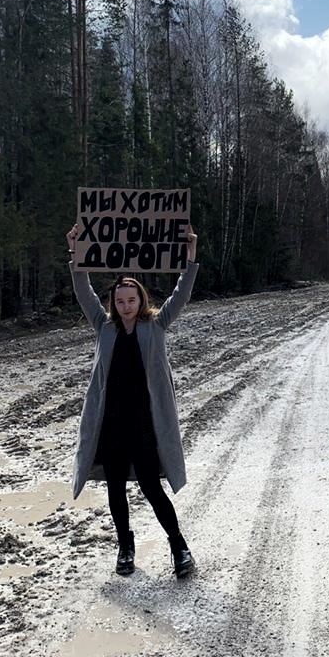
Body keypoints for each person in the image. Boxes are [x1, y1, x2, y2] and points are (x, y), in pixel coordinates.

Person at [66, 221, 199, 578]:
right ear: (114, 303)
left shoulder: (156, 326)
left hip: (144, 424)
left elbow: (181, 294)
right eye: (120, 301)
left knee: (151, 487)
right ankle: (126, 547)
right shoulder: (103, 327)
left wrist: (189, 258)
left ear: (141, 300)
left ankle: (179, 547)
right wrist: (76, 253)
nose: (125, 305)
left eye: (131, 299)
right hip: (111, 423)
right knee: (114, 489)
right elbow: (84, 291)